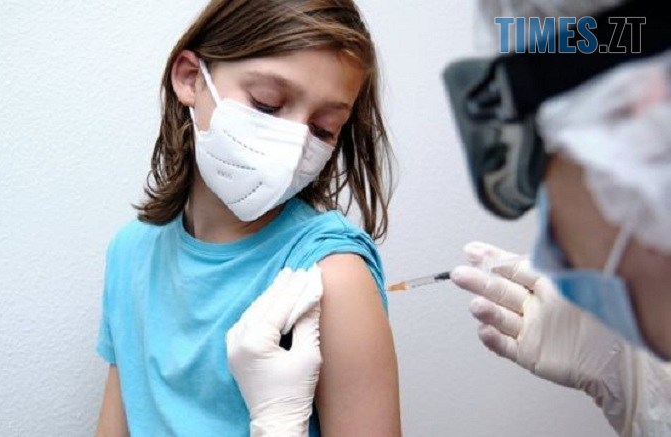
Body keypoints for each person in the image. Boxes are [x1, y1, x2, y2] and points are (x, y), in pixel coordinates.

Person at [226, 0, 671, 435]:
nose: (555, 247)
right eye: (266, 103)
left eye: (543, 164)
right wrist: (636, 380)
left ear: (641, 112)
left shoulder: (337, 269)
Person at [93, 1, 401, 436]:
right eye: (267, 104)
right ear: (190, 79)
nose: (295, 147)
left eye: (323, 128)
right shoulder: (131, 253)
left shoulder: (331, 278)